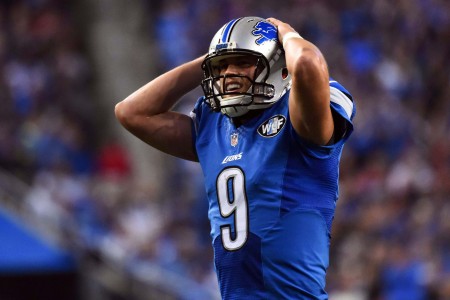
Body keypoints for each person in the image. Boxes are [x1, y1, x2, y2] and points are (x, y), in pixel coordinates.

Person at [115, 16, 356, 299]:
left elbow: (306, 64)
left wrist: (286, 34)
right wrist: (211, 59)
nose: (229, 74)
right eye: (222, 67)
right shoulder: (213, 124)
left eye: (243, 62)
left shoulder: (298, 116)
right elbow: (130, 112)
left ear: (278, 64)